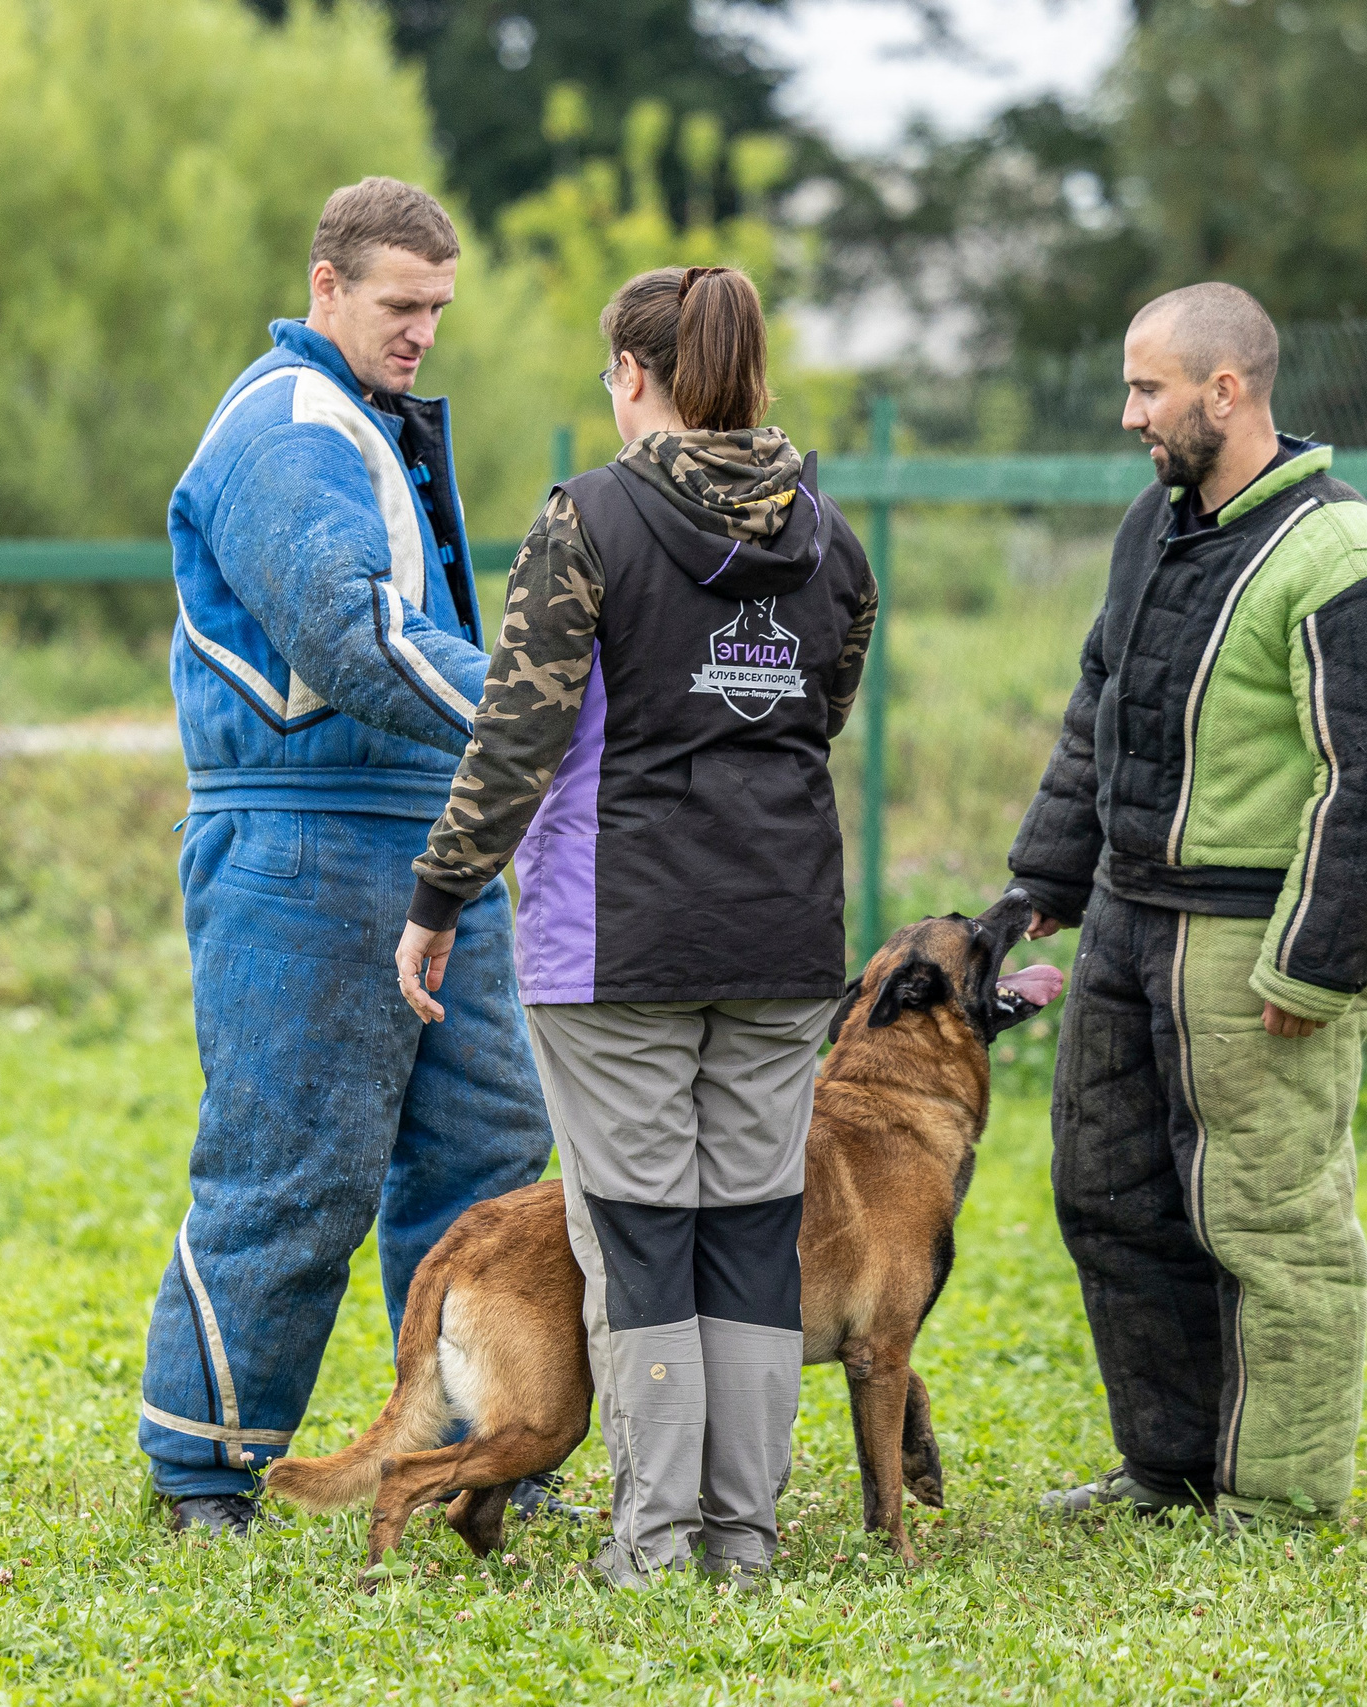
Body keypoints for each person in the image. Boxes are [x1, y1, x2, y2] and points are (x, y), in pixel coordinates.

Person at [396, 265, 878, 1585]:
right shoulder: (831, 537)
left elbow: (518, 734)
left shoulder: (588, 520)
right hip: (784, 936)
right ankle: (743, 1539)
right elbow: (818, 711)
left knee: (644, 1234)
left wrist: (440, 891)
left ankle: (654, 1545)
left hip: (617, 943)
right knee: (750, 1227)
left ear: (629, 374)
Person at [138, 178, 555, 1538]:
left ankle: (487, 1448)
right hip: (301, 838)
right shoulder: (285, 423)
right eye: (400, 304)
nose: (424, 329)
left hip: (429, 834)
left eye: (438, 307)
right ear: (326, 286)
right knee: (293, 1162)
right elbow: (350, 631)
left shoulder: (364, 420)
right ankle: (205, 1466)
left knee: (488, 1158)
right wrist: (534, 715)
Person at [1009, 283, 1367, 1531]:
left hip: (1248, 937)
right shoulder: (1152, 530)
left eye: (1147, 388)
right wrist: (1049, 875)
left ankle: (1277, 1501)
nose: (1126, 414)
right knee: (1111, 1195)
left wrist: (1314, 967)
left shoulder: (1348, 561)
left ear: (1227, 390)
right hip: (1123, 918)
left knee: (1270, 1222)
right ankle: (1168, 1474)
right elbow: (1101, 697)